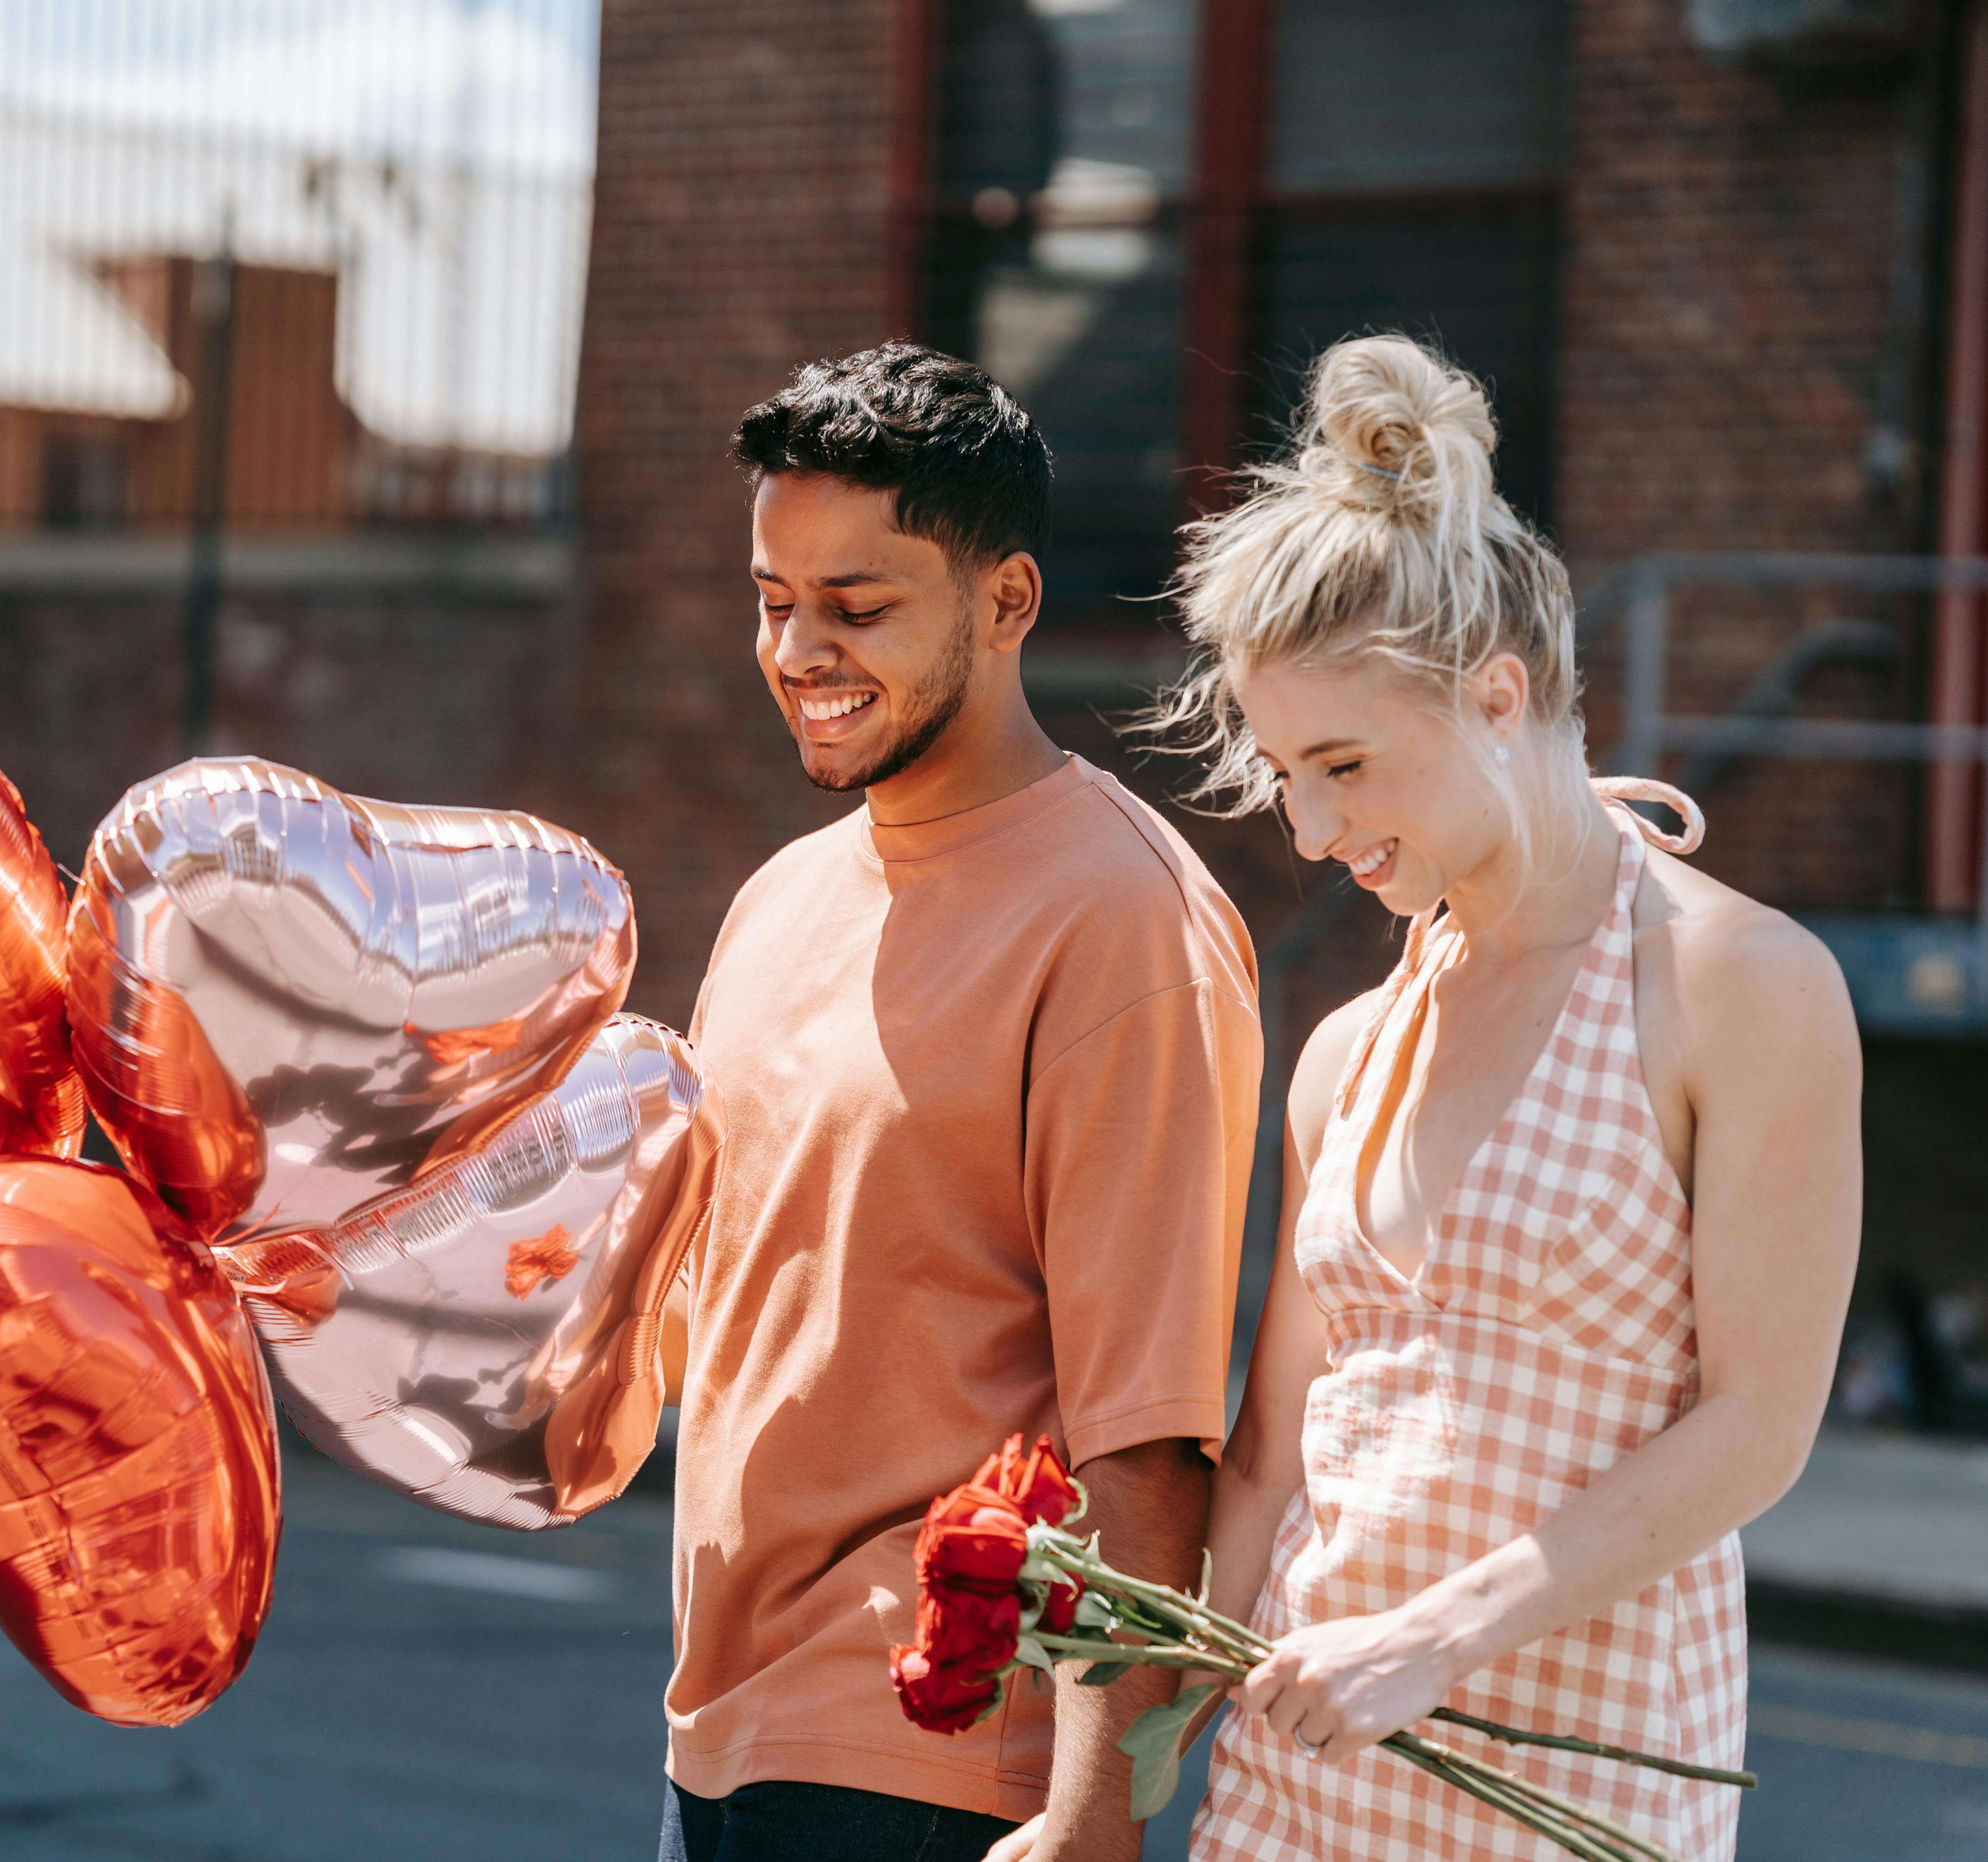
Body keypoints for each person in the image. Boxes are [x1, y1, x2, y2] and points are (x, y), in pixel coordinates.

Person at [996, 333, 1861, 1861]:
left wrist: (1431, 1640)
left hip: (1580, 1792)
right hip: (1293, 1795)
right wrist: (1110, 1787)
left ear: (1499, 696)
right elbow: (1271, 1463)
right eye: (1284, 777)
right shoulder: (1347, 1052)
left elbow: (1758, 1428)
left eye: (1346, 764)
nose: (1317, 830)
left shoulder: (1739, 983)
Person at [658, 342, 1263, 1862]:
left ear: (1008, 605)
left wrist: (1092, 1806)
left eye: (857, 609)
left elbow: (1151, 1418)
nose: (799, 649)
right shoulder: (779, 898)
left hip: (935, 1766)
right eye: (772, 602)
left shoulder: (1121, 920)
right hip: (710, 1731)